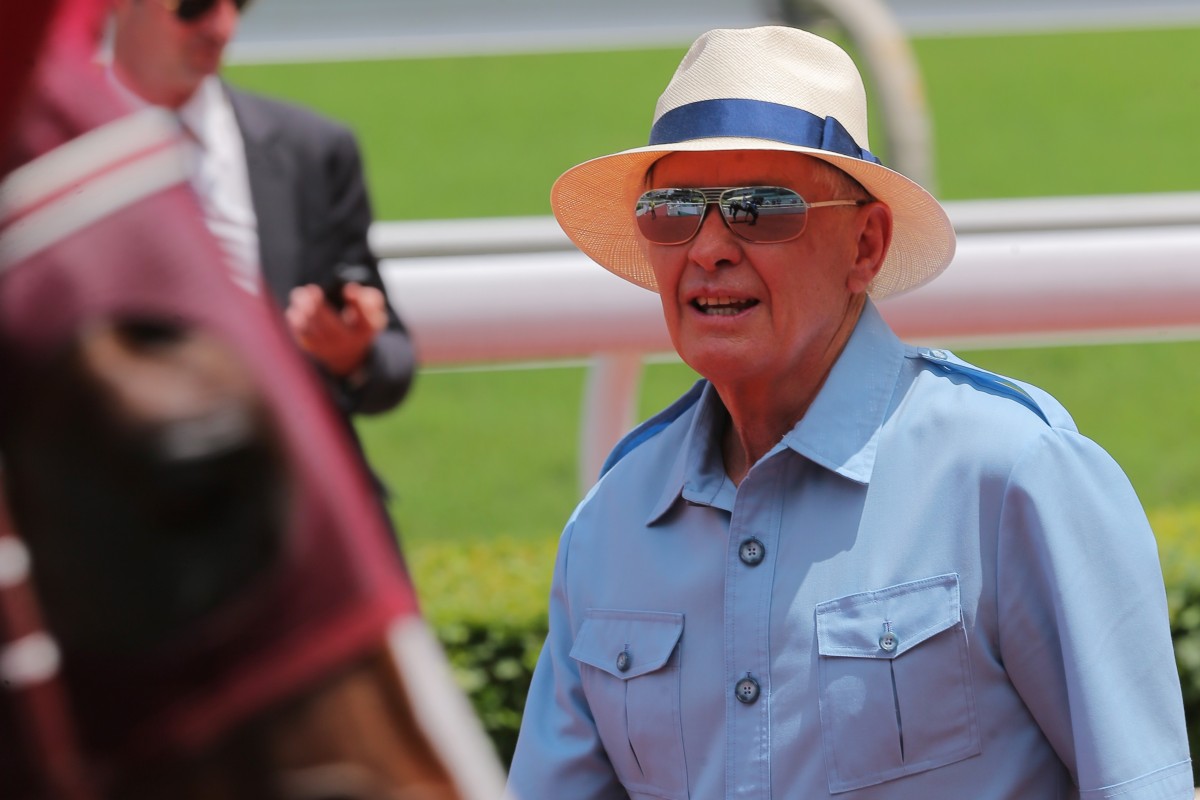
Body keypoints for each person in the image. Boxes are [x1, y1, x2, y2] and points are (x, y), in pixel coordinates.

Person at [508, 25, 1192, 799]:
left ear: (865, 244)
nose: (708, 249)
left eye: (760, 208)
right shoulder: (612, 522)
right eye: (673, 210)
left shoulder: (1014, 477)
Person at [107, 0, 416, 543]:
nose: (221, 25)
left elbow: (393, 360)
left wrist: (352, 356)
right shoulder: (42, 151)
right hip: (122, 527)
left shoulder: (312, 150)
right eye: (195, 4)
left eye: (239, 3)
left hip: (291, 524)